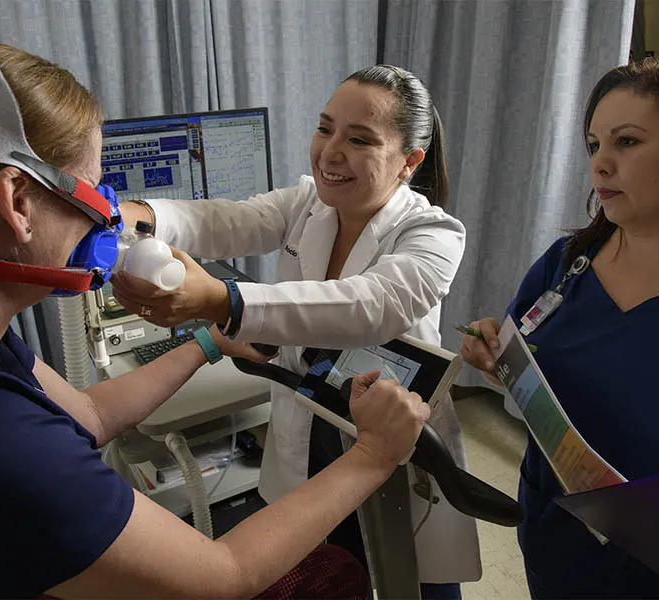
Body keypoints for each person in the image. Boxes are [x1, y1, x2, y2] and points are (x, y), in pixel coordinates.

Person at [0, 34, 432, 599]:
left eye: (358, 138)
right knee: (337, 573)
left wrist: (210, 336)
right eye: (96, 186)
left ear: (408, 162)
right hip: (349, 432)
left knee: (415, 568)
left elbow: (84, 413)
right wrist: (376, 453)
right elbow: (220, 576)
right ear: (17, 204)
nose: (104, 214)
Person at [114, 65, 479, 595]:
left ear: (409, 161)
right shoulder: (305, 204)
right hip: (309, 427)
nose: (331, 151)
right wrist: (134, 216)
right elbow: (220, 220)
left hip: (387, 433)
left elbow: (369, 306)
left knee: (407, 575)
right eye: (325, 127)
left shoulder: (433, 233)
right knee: (320, 569)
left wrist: (222, 299)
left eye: (359, 139)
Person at [460, 54, 659, 598]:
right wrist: (498, 361)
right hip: (556, 534)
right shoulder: (566, 262)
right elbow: (537, 371)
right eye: (595, 145)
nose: (601, 164)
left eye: (628, 142)